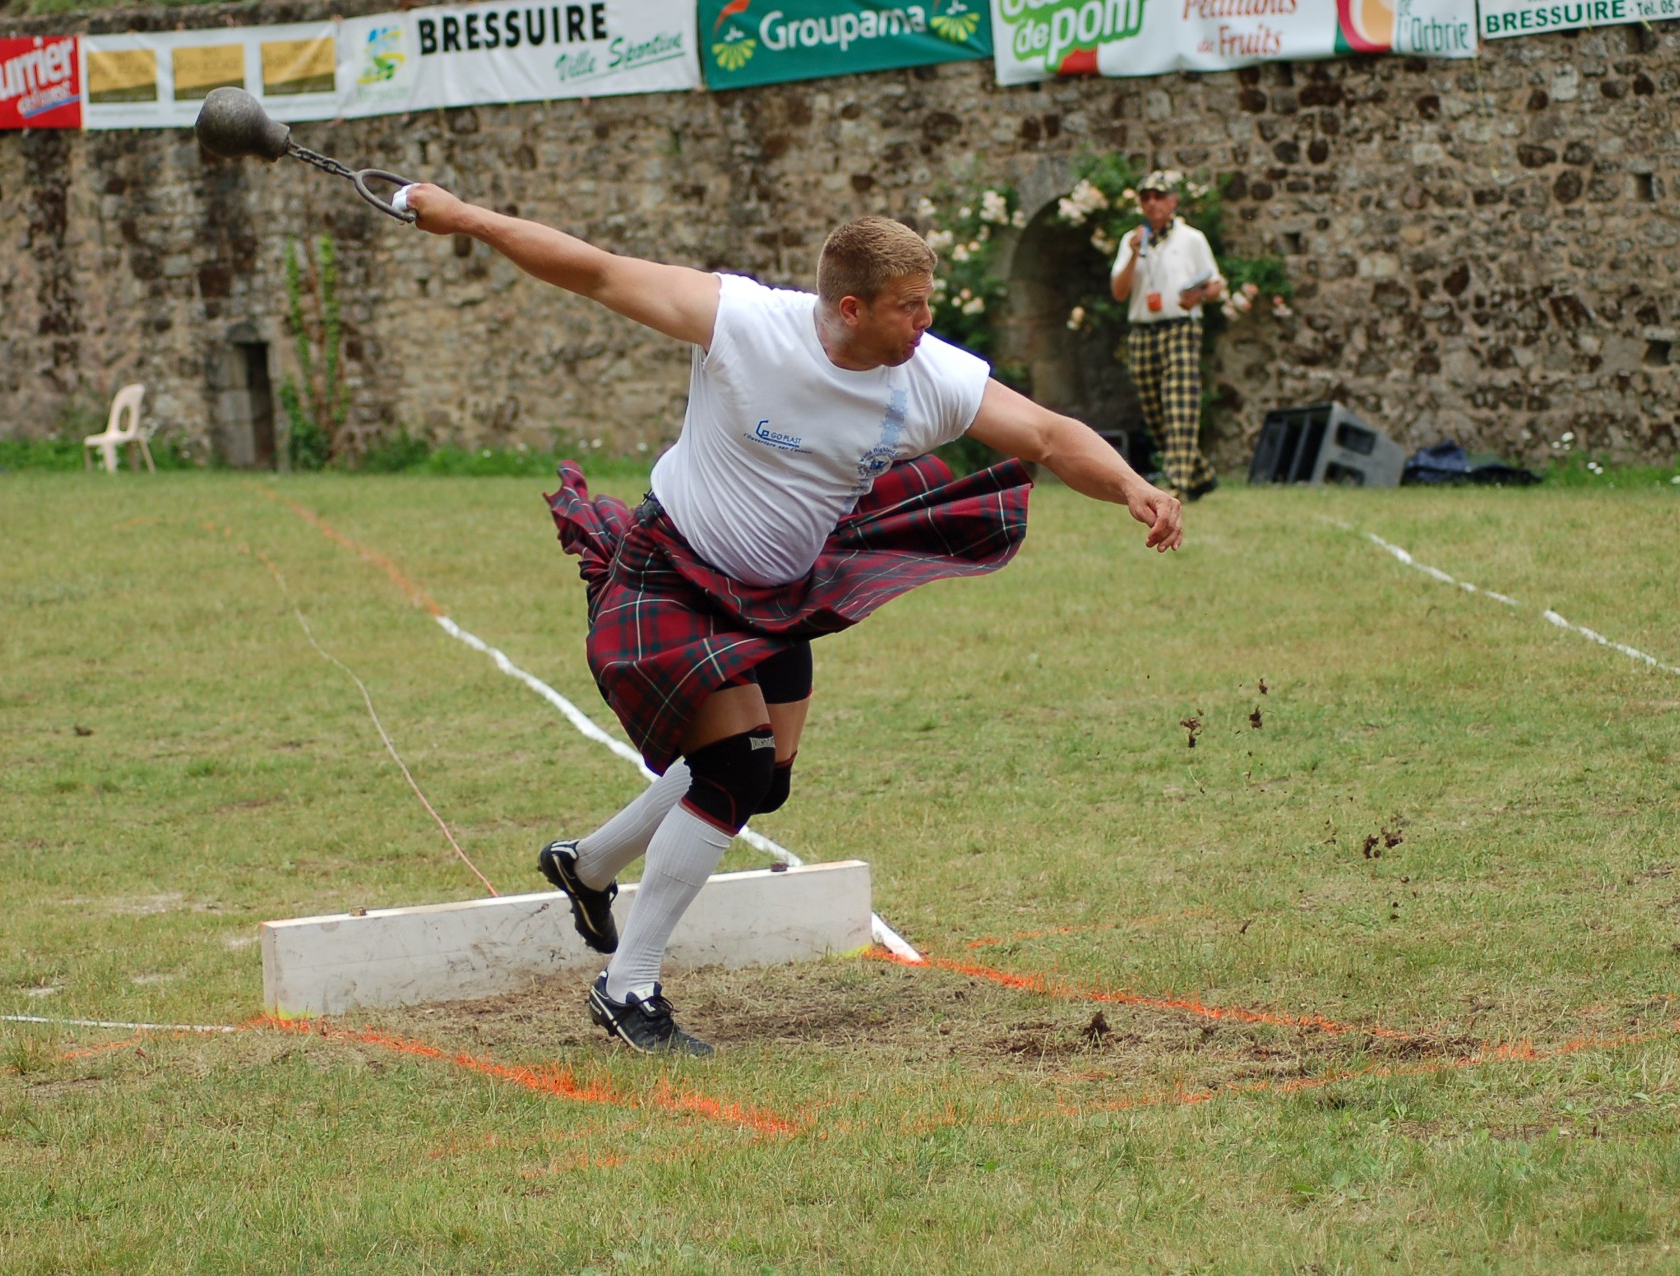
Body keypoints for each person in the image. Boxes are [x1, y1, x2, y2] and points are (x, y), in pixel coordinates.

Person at [402, 184, 1183, 1056]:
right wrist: (469, 216)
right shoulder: (744, 321)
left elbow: (1044, 434)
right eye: (908, 306)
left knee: (759, 778)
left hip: (776, 593)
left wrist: (1132, 487)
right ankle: (629, 988)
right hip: (675, 568)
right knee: (732, 766)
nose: (926, 321)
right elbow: (592, 270)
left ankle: (586, 865)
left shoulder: (929, 378)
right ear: (848, 307)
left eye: (929, 301)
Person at [1109, 171, 1225, 503]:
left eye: (1158, 197)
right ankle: (1201, 476)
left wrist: (1198, 295)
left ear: (1172, 201)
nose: (1152, 203)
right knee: (1154, 409)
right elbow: (1119, 292)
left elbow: (1216, 284)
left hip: (1181, 325)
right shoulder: (1132, 240)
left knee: (1180, 403)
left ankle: (1177, 482)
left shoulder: (1192, 239)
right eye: (1146, 197)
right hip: (1143, 329)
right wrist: (1133, 254)